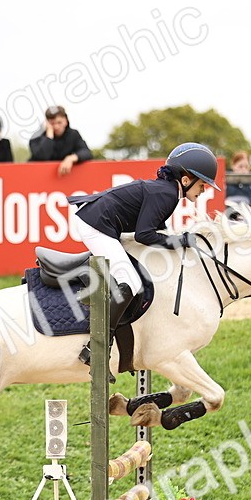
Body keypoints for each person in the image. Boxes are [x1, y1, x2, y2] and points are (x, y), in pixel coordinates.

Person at [66, 142, 220, 372]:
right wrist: (180, 241)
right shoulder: (168, 194)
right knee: (130, 281)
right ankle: (97, 347)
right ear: (186, 179)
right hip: (95, 225)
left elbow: (158, 232)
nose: (204, 190)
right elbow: (145, 235)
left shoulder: (168, 192)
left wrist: (178, 242)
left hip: (99, 221)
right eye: (203, 184)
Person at [29, 105, 92, 176]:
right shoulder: (36, 137)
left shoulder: (73, 134)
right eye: (52, 123)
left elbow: (86, 152)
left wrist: (71, 158)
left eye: (59, 122)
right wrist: (49, 136)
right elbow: (42, 157)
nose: (56, 127)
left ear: (65, 121)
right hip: (40, 176)